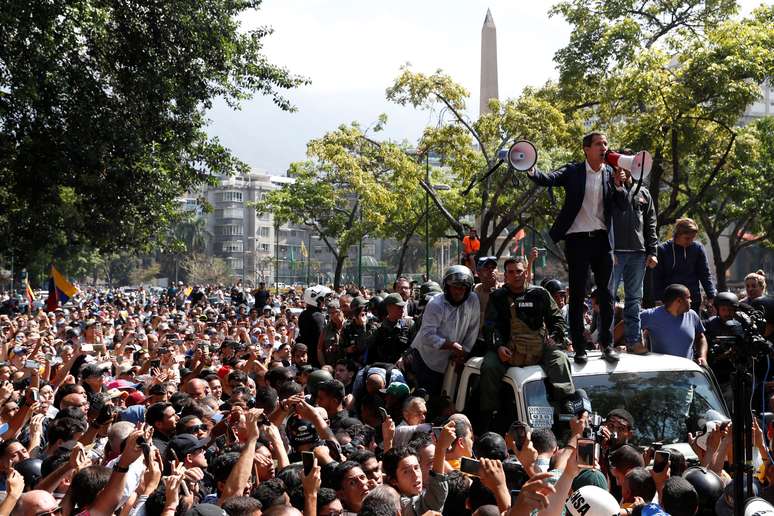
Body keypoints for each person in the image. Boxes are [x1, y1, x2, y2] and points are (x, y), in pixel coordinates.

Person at [527, 132, 627, 364]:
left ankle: (607, 345)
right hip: (577, 240)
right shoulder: (573, 171)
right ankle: (579, 348)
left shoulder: (611, 174)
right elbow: (547, 178)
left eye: (606, 144)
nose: (604, 147)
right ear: (586, 149)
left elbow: (622, 206)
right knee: (577, 293)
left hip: (603, 241)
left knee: (607, 294)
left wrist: (619, 186)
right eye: (599, 144)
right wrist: (530, 168)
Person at [479, 257, 575, 433]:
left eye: (519, 271)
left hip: (538, 345)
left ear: (526, 273)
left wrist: (554, 337)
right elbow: (490, 327)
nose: (516, 275)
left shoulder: (540, 294)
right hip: (507, 348)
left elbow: (557, 320)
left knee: (559, 358)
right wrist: (499, 346)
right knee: (490, 366)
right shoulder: (497, 297)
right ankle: (488, 416)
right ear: (505, 275)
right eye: (511, 272)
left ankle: (566, 405)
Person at [610, 156, 658, 352]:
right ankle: (605, 340)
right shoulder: (608, 190)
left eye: (628, 166)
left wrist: (652, 251)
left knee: (634, 300)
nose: (625, 170)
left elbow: (651, 225)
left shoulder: (644, 193)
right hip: (614, 253)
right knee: (608, 297)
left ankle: (633, 341)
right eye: (620, 167)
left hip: (638, 254)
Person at [409, 266, 480, 396]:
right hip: (427, 359)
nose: (459, 292)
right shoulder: (435, 304)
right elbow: (427, 336)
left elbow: (472, 329)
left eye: (463, 288)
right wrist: (451, 345)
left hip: (453, 359)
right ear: (447, 287)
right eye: (455, 287)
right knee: (427, 397)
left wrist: (464, 352)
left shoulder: (473, 300)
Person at [653, 218, 716, 311]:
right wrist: (658, 298)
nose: (690, 241)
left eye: (693, 238)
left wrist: (711, 295)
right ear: (677, 234)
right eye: (687, 238)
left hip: (692, 300)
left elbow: (705, 274)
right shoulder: (663, 250)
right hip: (670, 301)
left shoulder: (698, 248)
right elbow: (657, 277)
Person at [640, 284, 708, 365]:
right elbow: (627, 323)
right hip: (662, 373)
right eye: (688, 297)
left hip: (687, 372)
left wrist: (702, 356)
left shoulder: (692, 315)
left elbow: (701, 337)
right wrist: (624, 347)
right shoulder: (651, 315)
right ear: (679, 301)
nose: (691, 301)